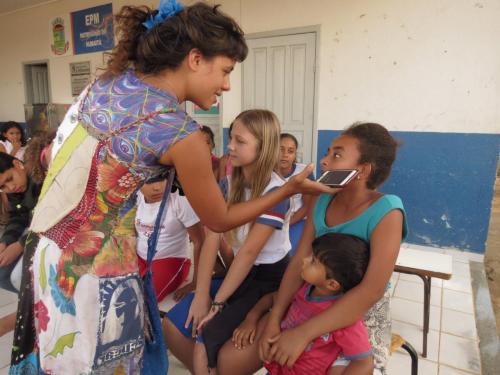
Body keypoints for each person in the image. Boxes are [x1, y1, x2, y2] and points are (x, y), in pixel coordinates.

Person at [8, 1, 329, 374]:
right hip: (94, 268)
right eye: (224, 71)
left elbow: (51, 157)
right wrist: (288, 191)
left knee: (54, 358)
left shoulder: (105, 85)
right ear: (195, 58)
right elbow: (220, 218)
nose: (226, 84)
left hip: (46, 249)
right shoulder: (180, 132)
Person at [259, 123, 408, 374]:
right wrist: (276, 318)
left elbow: (371, 291)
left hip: (359, 316)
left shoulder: (387, 211)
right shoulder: (321, 198)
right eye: (328, 152)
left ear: (363, 170)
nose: (324, 161)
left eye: (336, 155)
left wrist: (303, 333)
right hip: (314, 299)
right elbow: (299, 262)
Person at [164, 109, 291, 374]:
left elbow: (249, 253)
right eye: (231, 137)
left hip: (267, 279)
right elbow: (212, 237)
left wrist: (218, 302)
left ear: (263, 145)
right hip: (239, 273)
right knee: (175, 325)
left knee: (207, 340)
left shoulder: (276, 192)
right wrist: (201, 295)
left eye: (240, 141)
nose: (230, 146)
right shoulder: (228, 183)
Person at [235, 233, 373, 375]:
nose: (304, 260)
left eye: (313, 261)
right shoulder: (303, 289)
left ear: (332, 284)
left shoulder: (341, 317)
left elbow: (363, 362)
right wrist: (251, 319)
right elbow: (270, 299)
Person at [135, 175, 204, 302]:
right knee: (118, 288)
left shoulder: (179, 199)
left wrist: (196, 282)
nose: (157, 187)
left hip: (170, 260)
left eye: (162, 179)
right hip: (140, 258)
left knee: (144, 299)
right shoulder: (136, 196)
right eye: (149, 182)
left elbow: (200, 241)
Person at [278, 133, 314, 255]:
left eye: (290, 151)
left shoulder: (303, 172)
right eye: (280, 149)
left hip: (297, 221)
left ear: (294, 155)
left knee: (291, 254)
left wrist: (287, 223)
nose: (285, 155)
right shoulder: (265, 173)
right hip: (271, 222)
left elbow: (307, 206)